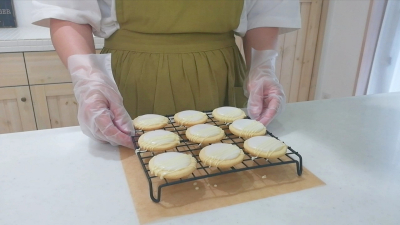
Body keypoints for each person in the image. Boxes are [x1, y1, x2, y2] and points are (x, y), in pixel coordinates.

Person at [32, 0, 301, 149]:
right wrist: (89, 80)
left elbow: (265, 11)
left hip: (220, 73)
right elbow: (67, 12)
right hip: (134, 78)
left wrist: (263, 68)